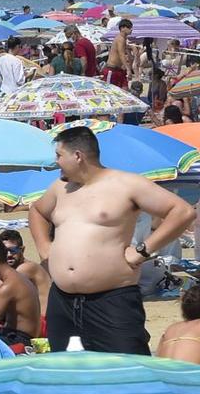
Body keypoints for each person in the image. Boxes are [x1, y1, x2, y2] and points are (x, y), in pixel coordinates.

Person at [31, 125, 194, 354]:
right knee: (66, 372)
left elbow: (182, 212)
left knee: (127, 370)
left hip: (111, 300)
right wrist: (44, 248)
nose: (55, 162)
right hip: (63, 301)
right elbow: (36, 211)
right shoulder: (60, 188)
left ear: (78, 156)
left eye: (59, 155)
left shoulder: (126, 184)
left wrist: (143, 250)